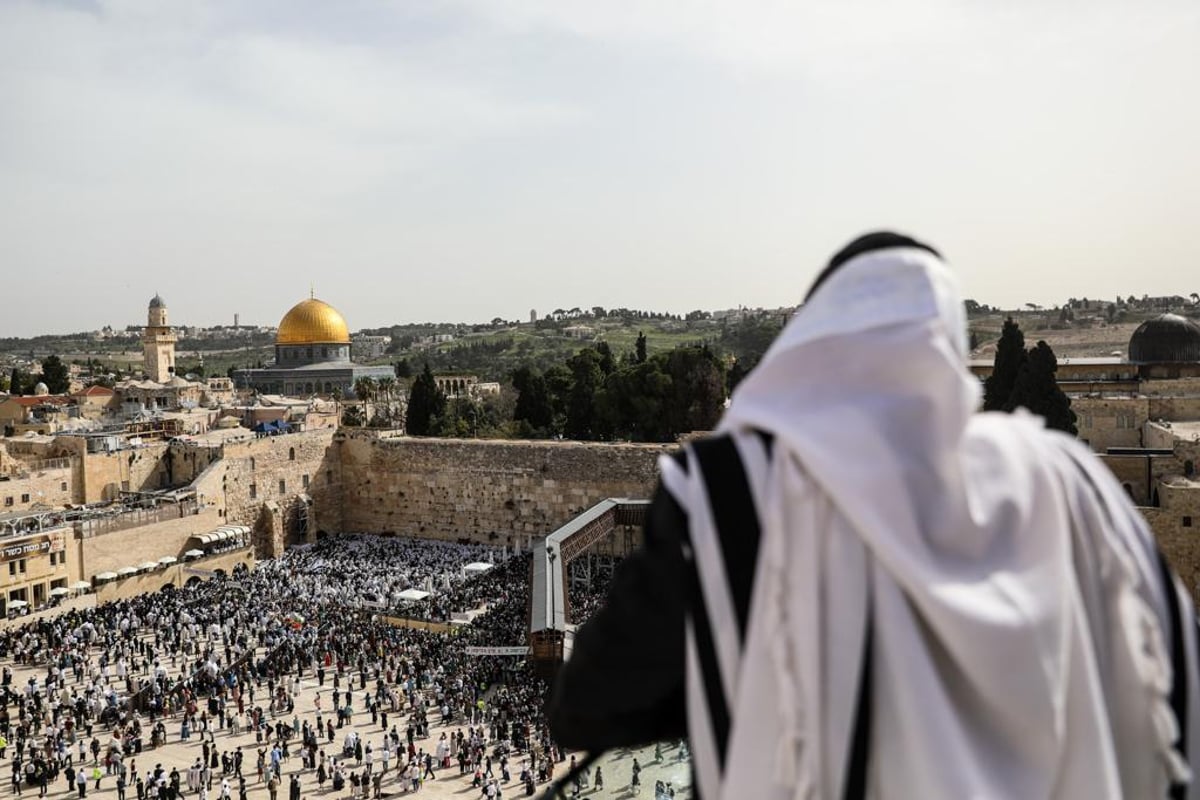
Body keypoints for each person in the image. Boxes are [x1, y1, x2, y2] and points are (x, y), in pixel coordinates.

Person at [549, 232, 1200, 799]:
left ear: (809, 340)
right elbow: (1172, 682)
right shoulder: (1069, 486)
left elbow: (587, 711)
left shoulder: (731, 490)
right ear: (945, 344)